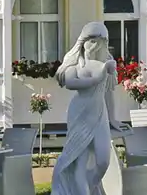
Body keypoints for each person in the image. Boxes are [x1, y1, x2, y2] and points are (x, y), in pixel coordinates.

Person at [51, 22, 125, 195]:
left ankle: (90, 188)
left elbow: (108, 94)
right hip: (80, 114)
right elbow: (71, 83)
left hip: (100, 114)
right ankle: (81, 191)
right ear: (83, 42)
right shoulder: (75, 66)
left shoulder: (104, 64)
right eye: (91, 41)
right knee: (80, 161)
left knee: (103, 161)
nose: (95, 46)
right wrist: (99, 75)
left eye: (100, 42)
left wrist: (113, 119)